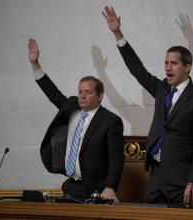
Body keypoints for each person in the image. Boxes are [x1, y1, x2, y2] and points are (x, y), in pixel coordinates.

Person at [102, 6, 193, 207]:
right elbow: (137, 69)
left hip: (182, 178)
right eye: (166, 63)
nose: (168, 67)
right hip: (157, 173)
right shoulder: (162, 89)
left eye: (174, 63)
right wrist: (118, 33)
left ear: (187, 67)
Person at [27, 38, 124, 202]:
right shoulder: (71, 107)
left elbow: (117, 158)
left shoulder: (110, 121)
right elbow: (53, 93)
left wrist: (110, 187)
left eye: (88, 92)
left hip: (96, 190)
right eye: (80, 92)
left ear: (100, 96)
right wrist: (35, 64)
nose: (82, 96)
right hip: (70, 186)